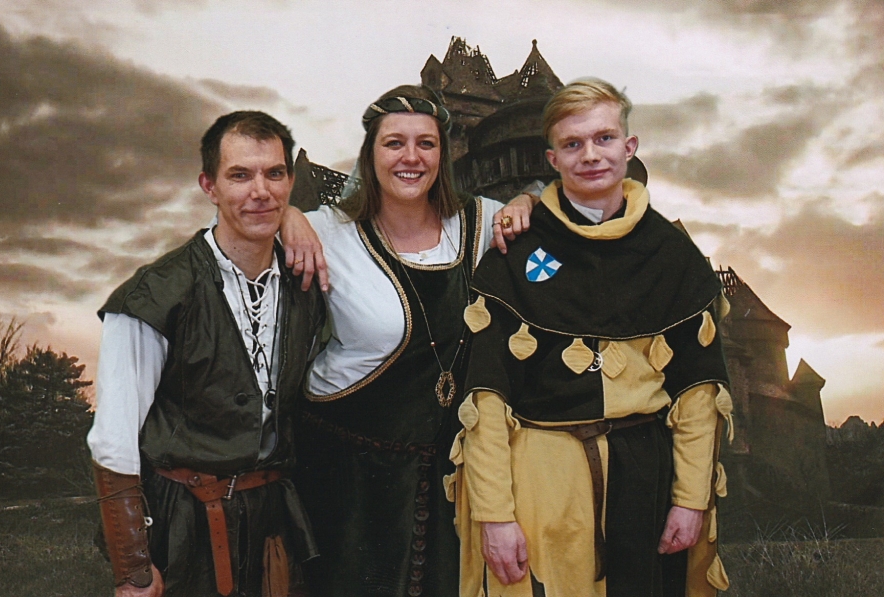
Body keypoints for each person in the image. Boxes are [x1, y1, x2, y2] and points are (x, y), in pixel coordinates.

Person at [449, 79, 734, 597]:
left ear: (629, 147)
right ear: (552, 159)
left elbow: (698, 392)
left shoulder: (673, 255)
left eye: (604, 138)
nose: (590, 155)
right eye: (573, 144)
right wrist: (494, 514)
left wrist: (692, 499)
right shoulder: (515, 252)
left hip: (645, 483)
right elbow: (485, 399)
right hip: (541, 483)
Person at [284, 85, 537, 597]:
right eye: (394, 143)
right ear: (370, 153)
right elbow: (236, 234)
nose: (411, 157)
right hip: (347, 475)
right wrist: (285, 216)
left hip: (448, 470)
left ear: (443, 154)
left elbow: (559, 215)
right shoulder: (327, 230)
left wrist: (529, 198)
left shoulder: (481, 222)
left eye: (426, 143)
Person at [87, 111, 326, 597]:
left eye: (274, 173)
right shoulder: (156, 295)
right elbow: (113, 441)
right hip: (182, 524)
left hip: (271, 519)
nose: (260, 190)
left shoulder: (306, 282)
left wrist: (295, 217)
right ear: (209, 186)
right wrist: (133, 568)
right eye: (239, 175)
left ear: (290, 181)